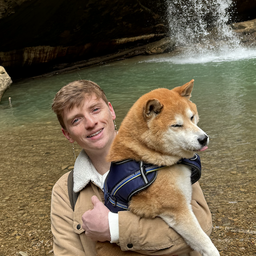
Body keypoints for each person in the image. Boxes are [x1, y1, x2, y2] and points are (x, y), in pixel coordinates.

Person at [50, 80, 213, 256]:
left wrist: (114, 228)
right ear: (67, 134)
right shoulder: (64, 191)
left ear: (111, 111)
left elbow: (203, 226)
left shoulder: (169, 155)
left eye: (95, 109)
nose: (90, 123)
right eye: (76, 120)